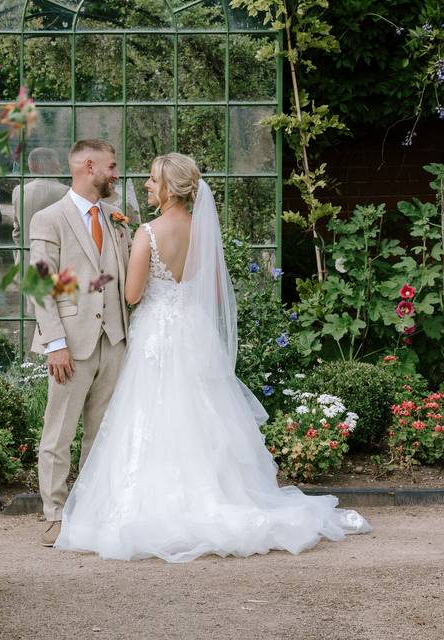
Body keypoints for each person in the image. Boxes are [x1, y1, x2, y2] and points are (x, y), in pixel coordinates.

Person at [54, 153, 371, 561]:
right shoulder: (204, 233)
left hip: (157, 335)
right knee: (200, 413)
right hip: (193, 333)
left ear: (169, 188)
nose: (147, 186)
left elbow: (132, 295)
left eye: (152, 181)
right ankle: (216, 495)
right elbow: (217, 293)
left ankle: (155, 505)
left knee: (153, 413)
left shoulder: (148, 233)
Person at [27, 139, 132, 547]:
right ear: (89, 166)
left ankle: (88, 512)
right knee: (59, 432)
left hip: (115, 340)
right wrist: (55, 343)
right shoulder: (48, 219)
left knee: (101, 434)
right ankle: (54, 513)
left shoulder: (115, 216)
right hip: (70, 343)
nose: (117, 174)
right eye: (112, 166)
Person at [12, 147, 69, 255]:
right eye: (57, 164)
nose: (60, 167)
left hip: (25, 260)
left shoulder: (18, 191)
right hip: (54, 261)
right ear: (53, 166)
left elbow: (17, 233)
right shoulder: (65, 192)